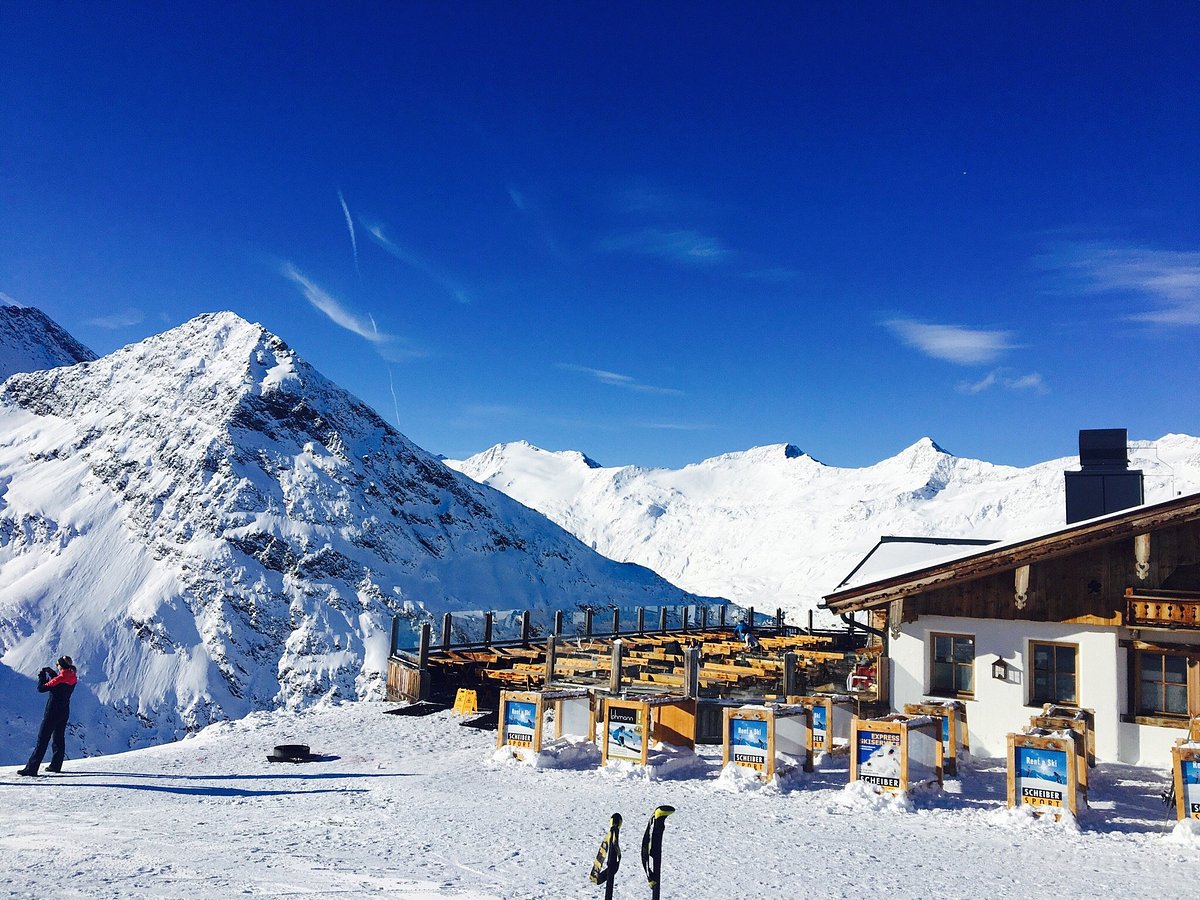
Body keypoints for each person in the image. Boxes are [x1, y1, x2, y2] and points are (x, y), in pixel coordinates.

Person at [17, 656, 78, 776]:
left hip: (52, 712)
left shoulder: (60, 678)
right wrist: (53, 673)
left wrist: (42, 677)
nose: (56, 666)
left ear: (61, 665)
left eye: (57, 664)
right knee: (59, 738)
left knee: (42, 739)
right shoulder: (73, 677)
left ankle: (32, 768)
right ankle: (56, 765)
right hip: (64, 711)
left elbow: (42, 688)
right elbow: (60, 681)